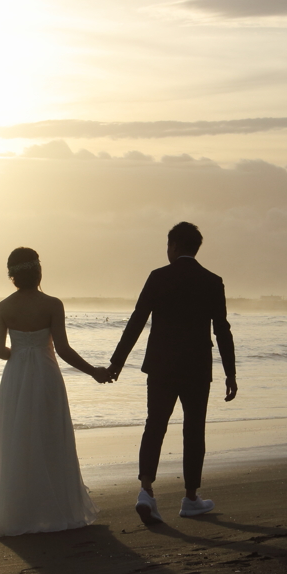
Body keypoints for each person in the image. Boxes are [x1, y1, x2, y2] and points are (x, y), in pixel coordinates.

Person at [108, 222, 237, 525]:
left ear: (175, 246)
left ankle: (146, 491)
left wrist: (117, 362)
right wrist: (230, 373)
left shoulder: (158, 277)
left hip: (161, 366)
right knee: (193, 430)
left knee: (155, 425)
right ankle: (190, 498)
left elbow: (137, 321)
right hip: (196, 368)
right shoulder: (212, 281)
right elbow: (222, 331)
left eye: (168, 246)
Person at [0, 247, 109, 537]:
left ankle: (20, 514)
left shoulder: (4, 307)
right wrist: (94, 371)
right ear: (38, 272)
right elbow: (64, 349)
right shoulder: (53, 304)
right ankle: (57, 510)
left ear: (12, 276)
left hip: (15, 378)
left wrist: (20, 354)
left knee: (18, 440)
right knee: (50, 437)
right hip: (46, 374)